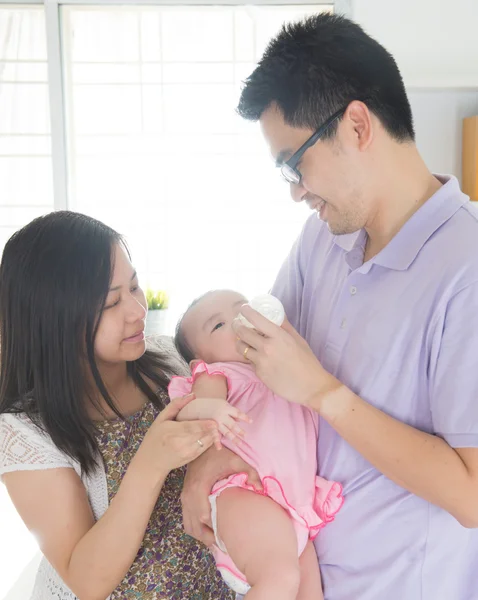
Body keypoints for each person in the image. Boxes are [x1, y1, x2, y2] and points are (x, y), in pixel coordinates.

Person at [180, 13, 478, 600]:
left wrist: (325, 394)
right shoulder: (322, 239)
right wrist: (205, 463)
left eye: (295, 163)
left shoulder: (466, 267)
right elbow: (250, 367)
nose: (294, 190)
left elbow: (472, 496)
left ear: (357, 126)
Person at [0, 211, 233, 600]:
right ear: (56, 319)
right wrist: (150, 463)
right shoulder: (24, 431)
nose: (137, 310)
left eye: (135, 286)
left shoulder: (168, 364)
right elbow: (87, 581)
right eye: (111, 303)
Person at [169, 289, 343, 599]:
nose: (237, 323)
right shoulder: (218, 373)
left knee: (309, 592)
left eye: (242, 311)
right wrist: (212, 410)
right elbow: (189, 412)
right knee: (280, 578)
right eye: (218, 326)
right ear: (201, 359)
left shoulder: (286, 370)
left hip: (292, 507)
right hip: (244, 493)